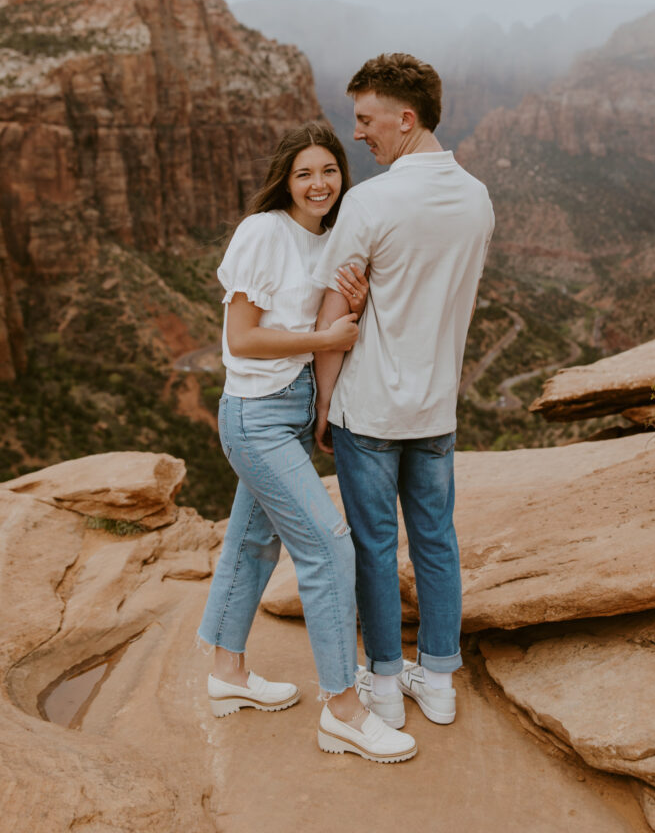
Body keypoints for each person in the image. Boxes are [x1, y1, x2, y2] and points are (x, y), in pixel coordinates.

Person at [197, 121, 417, 763]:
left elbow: (328, 318)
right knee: (328, 547)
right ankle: (344, 711)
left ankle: (226, 675)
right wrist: (325, 342)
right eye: (304, 173)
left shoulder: (327, 237)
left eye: (329, 171)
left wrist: (323, 405)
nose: (319, 184)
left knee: (252, 542)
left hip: (292, 412)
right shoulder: (262, 231)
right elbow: (243, 338)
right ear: (284, 181)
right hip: (255, 414)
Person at [313, 54, 494, 734]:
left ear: (405, 118)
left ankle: (385, 686)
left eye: (365, 119)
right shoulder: (476, 197)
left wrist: (324, 405)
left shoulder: (371, 201)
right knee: (435, 541)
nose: (357, 133)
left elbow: (336, 314)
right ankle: (439, 680)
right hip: (436, 406)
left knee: (373, 543)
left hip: (370, 408)